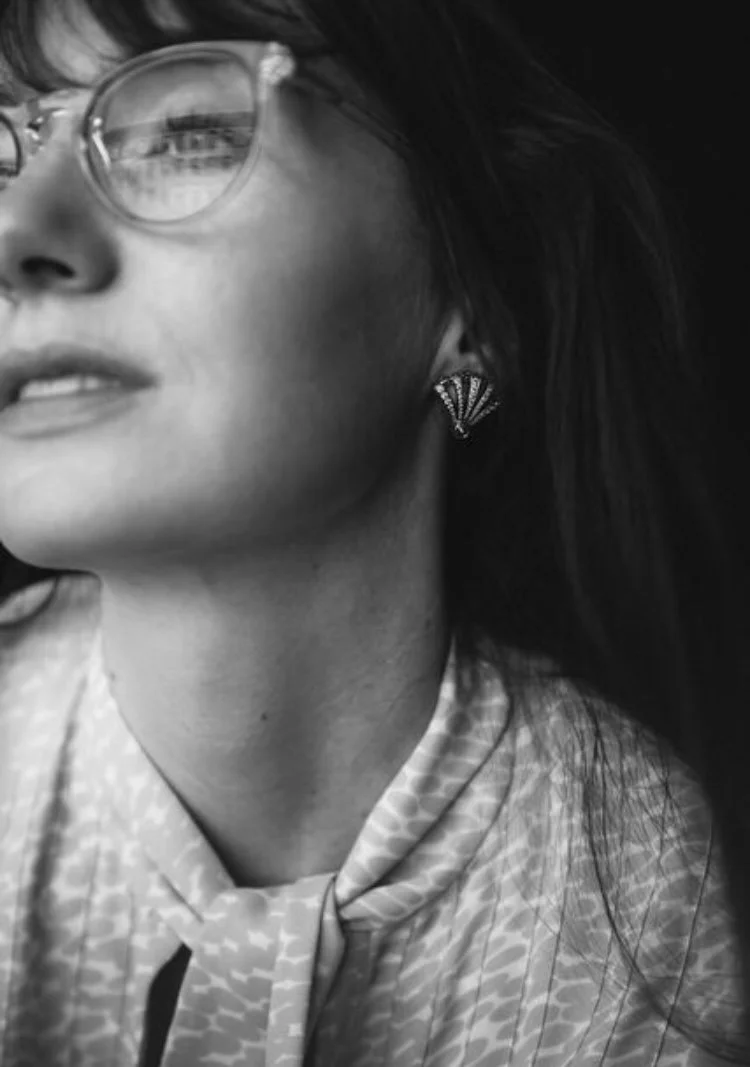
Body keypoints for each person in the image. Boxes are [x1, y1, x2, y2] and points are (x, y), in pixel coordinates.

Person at [0, 1, 747, 1064]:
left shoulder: (673, 920)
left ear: (472, 296)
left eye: (186, 129)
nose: (17, 232)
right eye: (0, 154)